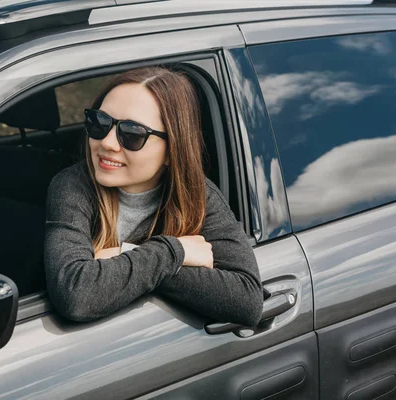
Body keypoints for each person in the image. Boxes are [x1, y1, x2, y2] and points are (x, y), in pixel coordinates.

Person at [44, 67, 263, 326]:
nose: (107, 143)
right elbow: (77, 294)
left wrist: (122, 256)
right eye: (100, 122)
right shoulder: (74, 186)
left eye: (132, 134)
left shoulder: (197, 196)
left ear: (172, 150)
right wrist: (177, 253)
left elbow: (247, 299)